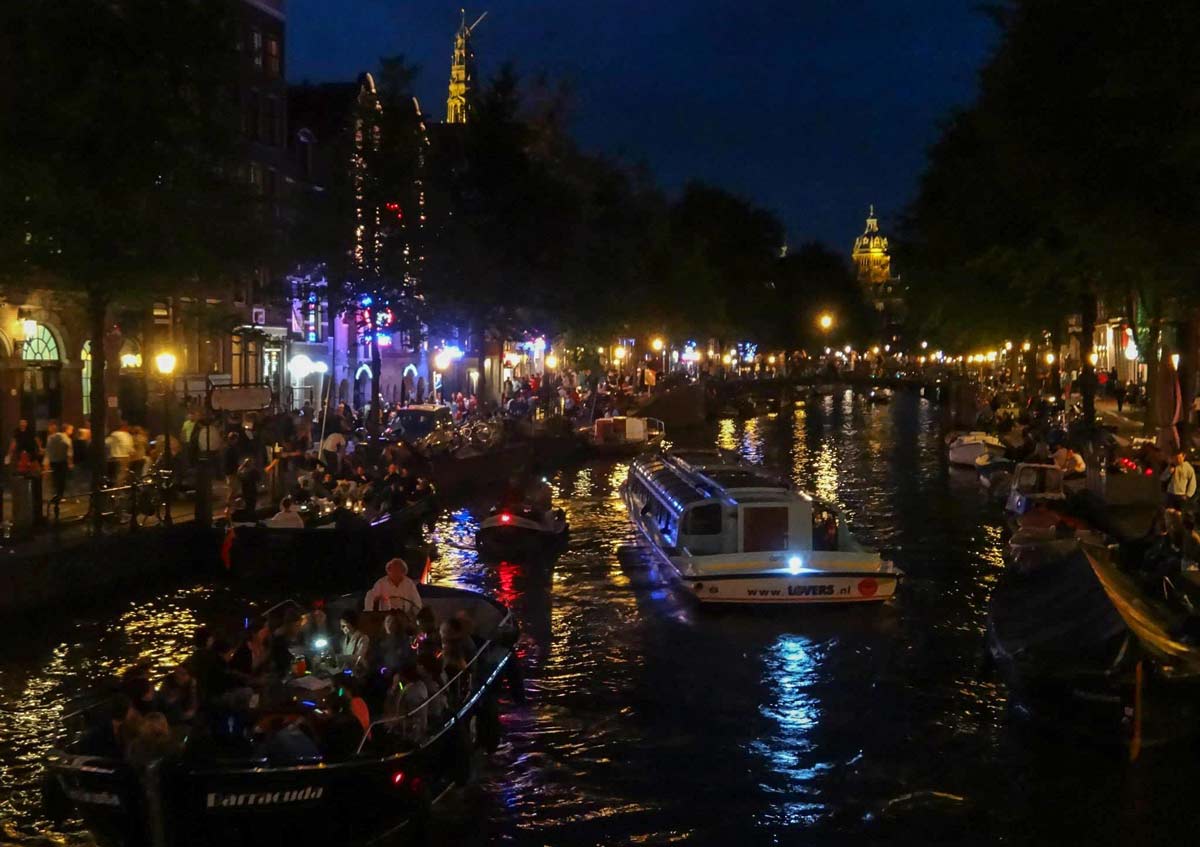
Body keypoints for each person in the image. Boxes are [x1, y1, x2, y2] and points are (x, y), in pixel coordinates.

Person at [45, 421, 73, 502]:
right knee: (62, 480)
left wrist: (48, 461)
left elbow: (48, 450)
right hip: (62, 461)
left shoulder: (52, 437)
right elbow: (69, 452)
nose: (72, 432)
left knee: (55, 479)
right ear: (66, 430)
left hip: (53, 461)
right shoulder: (67, 439)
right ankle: (60, 496)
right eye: (71, 430)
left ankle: (55, 496)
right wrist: (70, 462)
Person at [336, 610, 371, 675]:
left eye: (344, 626)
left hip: (359, 674)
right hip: (347, 673)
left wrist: (341, 657)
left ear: (351, 624)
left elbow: (359, 657)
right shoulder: (343, 639)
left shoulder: (363, 638)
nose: (341, 628)